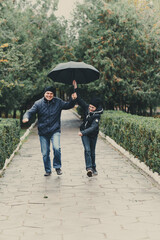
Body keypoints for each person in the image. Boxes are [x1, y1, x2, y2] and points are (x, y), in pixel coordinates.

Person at [22, 85, 76, 176]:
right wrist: (26, 117)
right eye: (47, 93)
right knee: (45, 153)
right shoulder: (38, 103)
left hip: (55, 130)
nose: (49, 95)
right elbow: (30, 112)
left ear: (53, 94)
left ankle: (57, 167)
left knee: (57, 148)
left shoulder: (58, 102)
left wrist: (73, 99)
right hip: (43, 132)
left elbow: (68, 105)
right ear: (44, 93)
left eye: (51, 94)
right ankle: (48, 170)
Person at [73, 80, 103, 177]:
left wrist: (83, 132)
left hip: (92, 134)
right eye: (90, 106)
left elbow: (94, 127)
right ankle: (89, 168)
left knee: (92, 151)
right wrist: (75, 88)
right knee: (87, 150)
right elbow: (80, 100)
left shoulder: (97, 116)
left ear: (97, 108)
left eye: (92, 107)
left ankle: (94, 167)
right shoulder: (87, 108)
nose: (90, 108)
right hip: (84, 133)